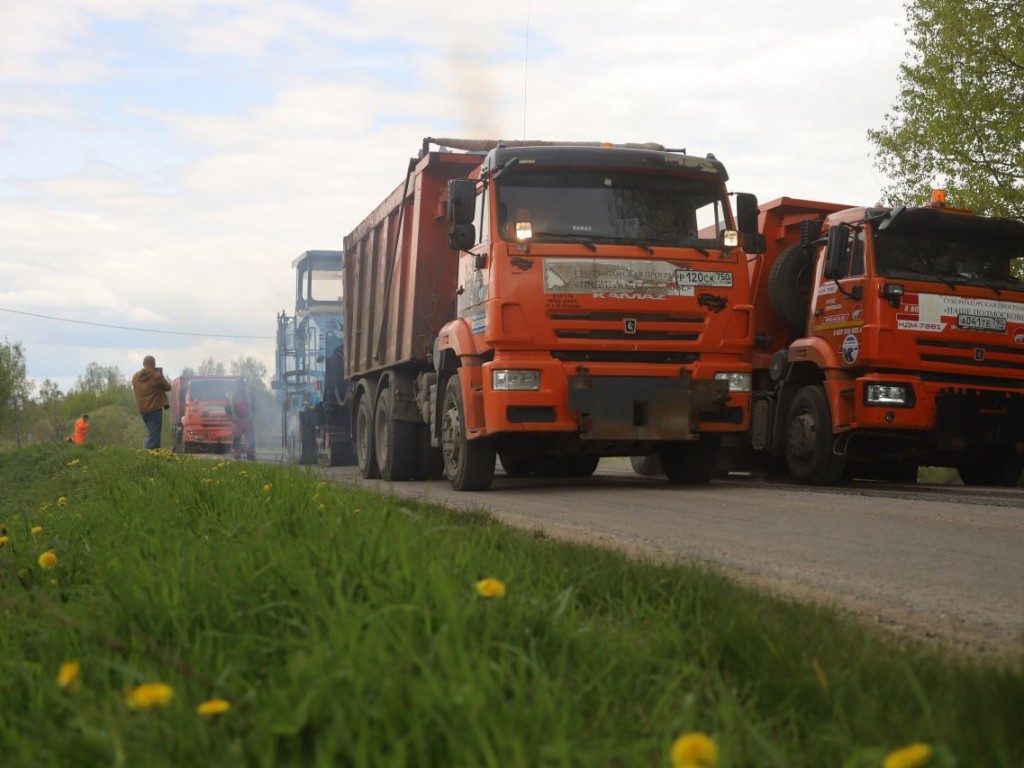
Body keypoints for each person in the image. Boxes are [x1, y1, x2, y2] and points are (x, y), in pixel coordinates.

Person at [131, 355, 172, 449]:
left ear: (143, 364)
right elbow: (168, 387)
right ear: (154, 364)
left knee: (153, 434)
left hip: (142, 410)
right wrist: (160, 375)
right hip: (154, 410)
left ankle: (156, 456)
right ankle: (148, 457)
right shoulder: (156, 376)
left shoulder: (135, 377)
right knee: (154, 436)